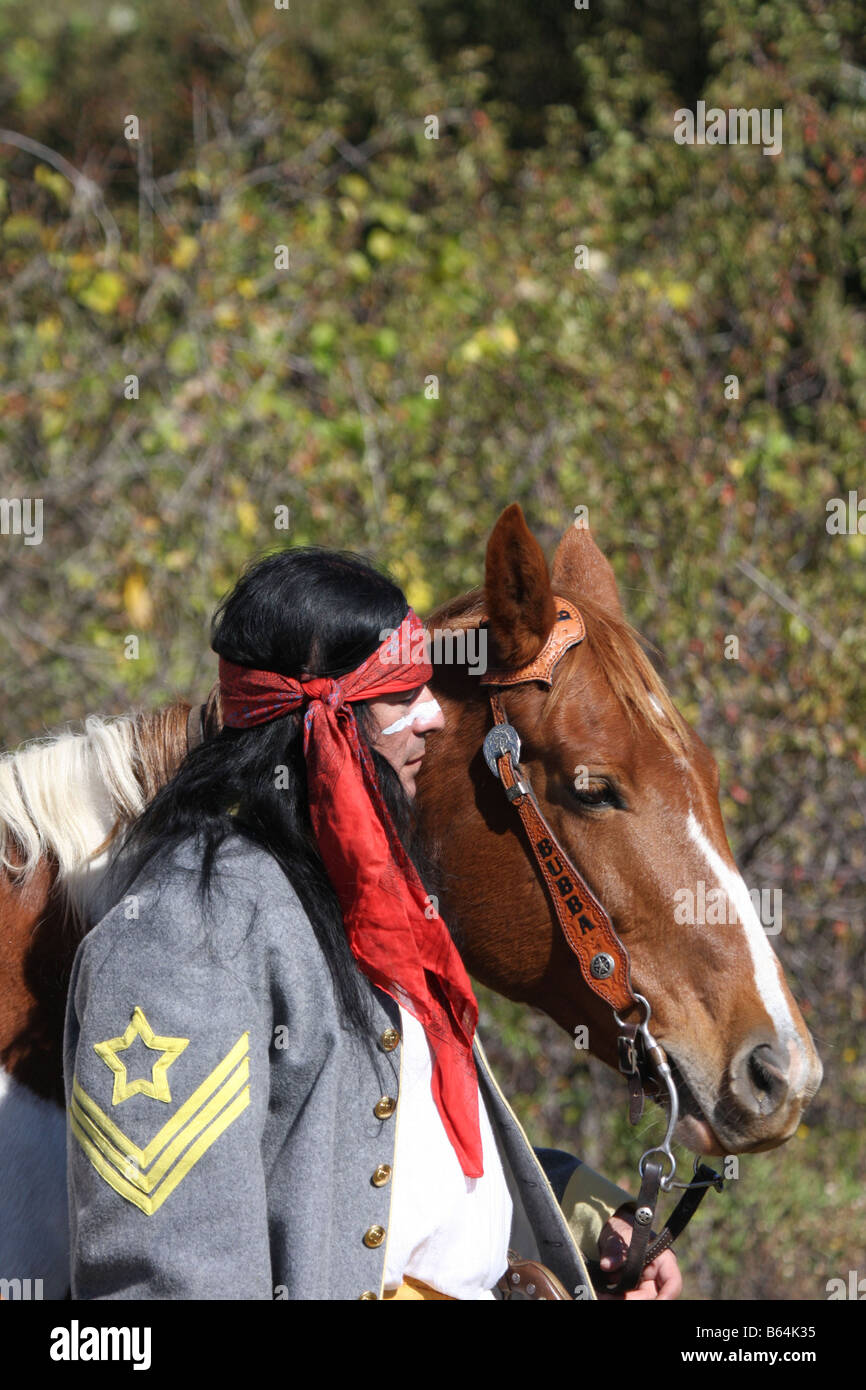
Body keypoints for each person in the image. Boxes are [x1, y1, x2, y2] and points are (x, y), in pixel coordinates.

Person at [63, 546, 682, 1300]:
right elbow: (167, 1274)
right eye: (399, 697)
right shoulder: (189, 934)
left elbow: (372, 1158)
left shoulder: (384, 907)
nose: (431, 719)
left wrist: (582, 1217)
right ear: (316, 723)